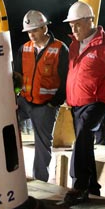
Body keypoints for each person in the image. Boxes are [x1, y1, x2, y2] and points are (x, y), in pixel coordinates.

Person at [62, 1, 105, 205]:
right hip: (76, 103)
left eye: (77, 24)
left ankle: (78, 185)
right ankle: (92, 187)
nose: (74, 29)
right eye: (71, 25)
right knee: (84, 142)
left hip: (97, 101)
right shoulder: (73, 45)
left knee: (83, 135)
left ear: (90, 21)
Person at [14, 10, 69, 182]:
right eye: (29, 31)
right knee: (5, 133)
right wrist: (15, 97)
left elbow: (66, 78)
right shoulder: (24, 49)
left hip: (45, 105)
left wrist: (55, 103)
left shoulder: (60, 49)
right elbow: (16, 76)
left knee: (43, 146)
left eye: (35, 30)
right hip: (24, 102)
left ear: (45, 27)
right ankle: (12, 175)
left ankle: (40, 181)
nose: (32, 34)